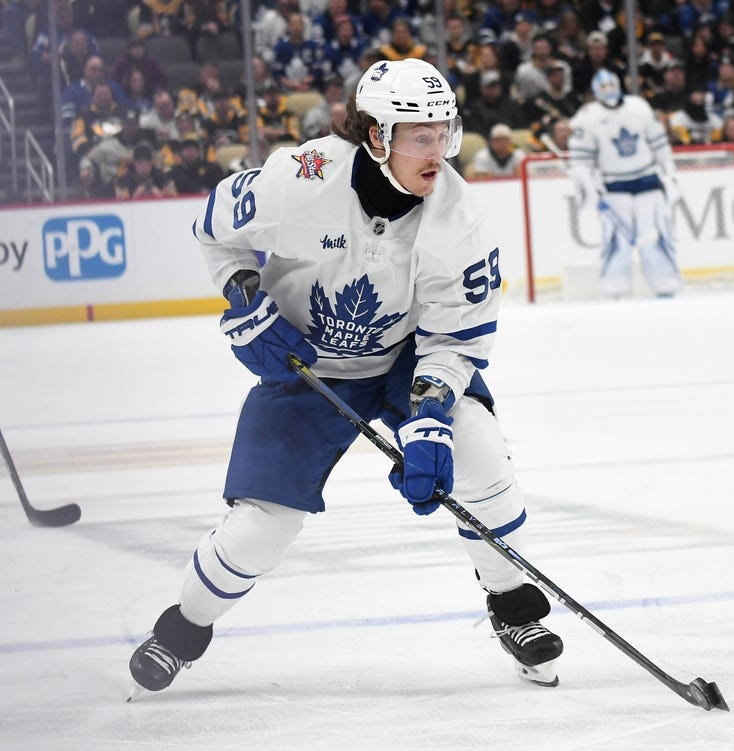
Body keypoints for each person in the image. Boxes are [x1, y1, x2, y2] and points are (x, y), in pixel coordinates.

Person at [127, 58, 564, 698]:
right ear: (377, 136)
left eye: (444, 132)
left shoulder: (461, 218)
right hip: (305, 367)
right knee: (260, 529)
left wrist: (431, 416)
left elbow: (454, 338)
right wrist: (244, 293)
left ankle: (513, 605)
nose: (439, 151)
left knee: (478, 453)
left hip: (403, 359)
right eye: (421, 135)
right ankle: (184, 628)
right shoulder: (297, 181)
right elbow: (214, 231)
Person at [568, 69, 682, 299]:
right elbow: (581, 162)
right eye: (603, 87)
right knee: (616, 242)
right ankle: (615, 288)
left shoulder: (639, 107)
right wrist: (589, 189)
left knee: (654, 238)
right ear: (596, 91)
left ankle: (666, 284)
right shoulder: (587, 117)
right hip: (614, 186)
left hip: (648, 181)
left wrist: (669, 174)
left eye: (612, 85)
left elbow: (659, 144)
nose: (609, 91)